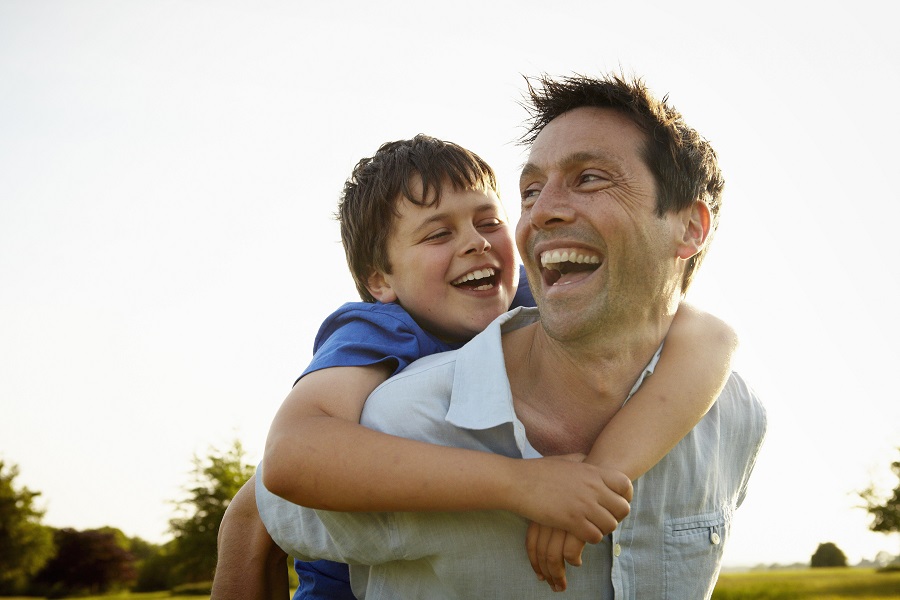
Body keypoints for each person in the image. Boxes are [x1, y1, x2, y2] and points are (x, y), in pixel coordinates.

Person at [254, 73, 767, 599]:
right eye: (437, 233)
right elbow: (292, 456)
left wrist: (602, 472)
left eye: (489, 220)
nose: (478, 245)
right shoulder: (378, 334)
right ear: (381, 280)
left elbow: (711, 336)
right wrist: (520, 484)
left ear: (691, 229)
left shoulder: (535, 292)